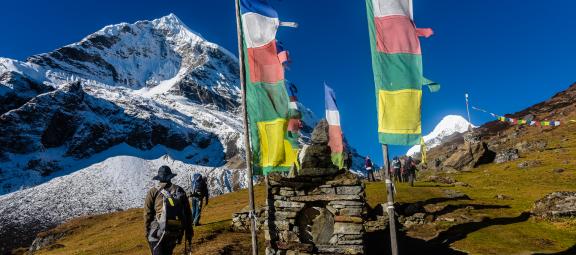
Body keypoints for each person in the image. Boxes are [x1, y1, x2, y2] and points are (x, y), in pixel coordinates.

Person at [145, 166, 193, 255]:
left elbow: (148, 214)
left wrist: (147, 232)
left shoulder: (153, 191)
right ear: (170, 177)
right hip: (174, 231)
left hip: (157, 232)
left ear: (158, 178)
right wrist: (189, 231)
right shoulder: (179, 190)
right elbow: (187, 213)